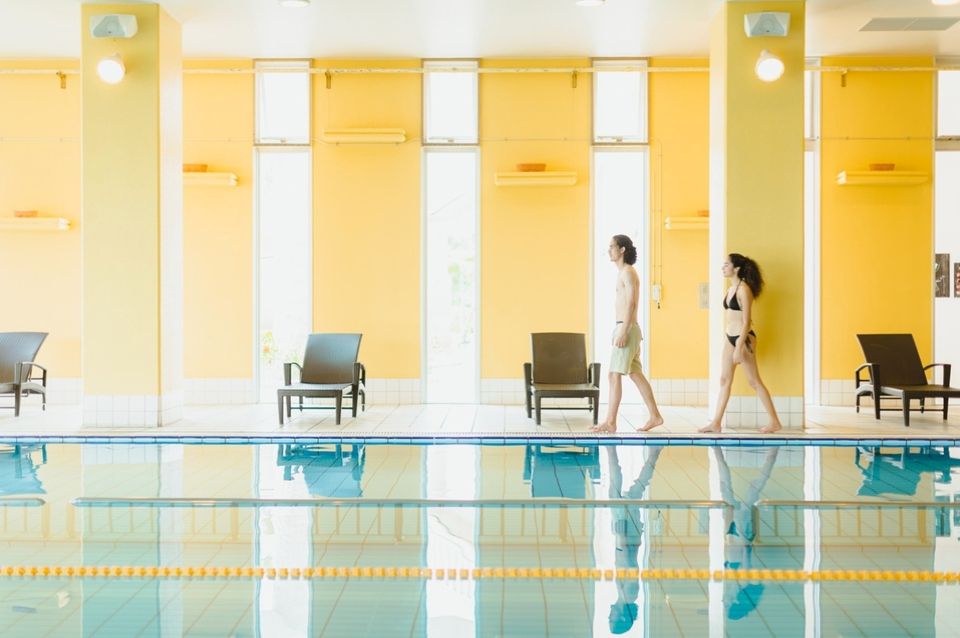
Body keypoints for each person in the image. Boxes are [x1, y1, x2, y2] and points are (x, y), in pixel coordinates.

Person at [699, 253, 783, 434]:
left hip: (743, 339)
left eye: (726, 264)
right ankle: (716, 423)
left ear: (736, 268)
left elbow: (746, 322)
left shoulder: (744, 290)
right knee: (724, 380)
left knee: (753, 381)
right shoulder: (731, 288)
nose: (723, 267)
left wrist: (738, 347)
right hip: (730, 337)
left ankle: (774, 422)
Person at [591, 235, 664, 433]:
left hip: (627, 328)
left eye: (612, 246)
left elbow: (631, 303)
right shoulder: (623, 273)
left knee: (613, 375)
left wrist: (623, 332)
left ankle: (610, 422)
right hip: (625, 327)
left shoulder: (628, 272)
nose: (609, 250)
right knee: (635, 374)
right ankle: (655, 416)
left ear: (622, 249)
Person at [712, 446, 780, 621]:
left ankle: (717, 450)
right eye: (726, 605)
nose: (723, 601)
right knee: (752, 488)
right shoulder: (743, 582)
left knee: (729, 488)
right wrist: (739, 528)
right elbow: (746, 550)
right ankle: (773, 452)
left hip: (733, 533)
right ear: (735, 602)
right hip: (739, 531)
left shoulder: (736, 584)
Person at [605, 445, 664, 634]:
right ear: (622, 617)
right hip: (627, 538)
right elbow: (631, 566)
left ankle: (653, 455)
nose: (609, 615)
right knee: (617, 494)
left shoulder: (624, 597)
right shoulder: (629, 596)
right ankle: (612, 451)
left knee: (634, 491)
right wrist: (622, 537)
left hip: (626, 539)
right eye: (612, 619)